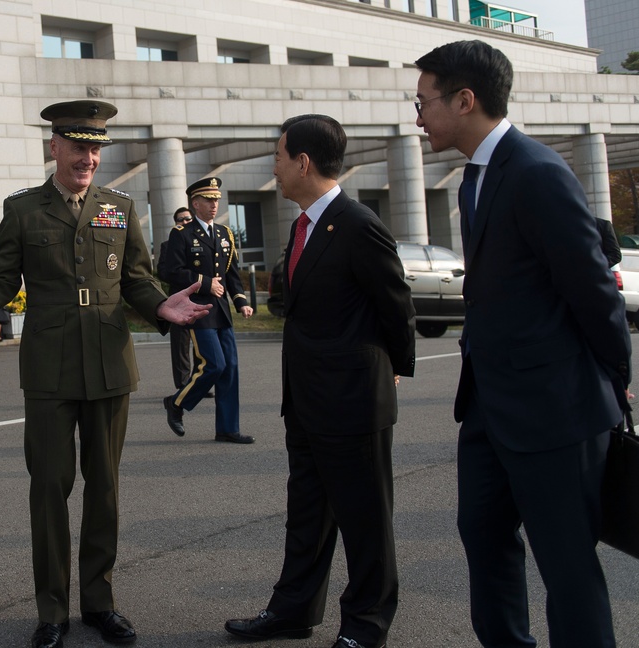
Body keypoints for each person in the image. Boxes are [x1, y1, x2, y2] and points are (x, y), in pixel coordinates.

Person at [0, 99, 210, 648]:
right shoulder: (23, 210)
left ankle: (101, 603)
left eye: (95, 148)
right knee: (49, 489)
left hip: (110, 364)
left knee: (105, 488)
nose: (87, 157)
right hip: (48, 369)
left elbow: (136, 277)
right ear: (54, 147)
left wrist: (161, 305)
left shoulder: (117, 207)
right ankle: (52, 612)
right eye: (78, 146)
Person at [413, 40, 631, 648]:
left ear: (465, 99)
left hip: (555, 409)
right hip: (489, 406)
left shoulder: (535, 172)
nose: (419, 115)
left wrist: (615, 374)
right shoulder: (474, 179)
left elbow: (591, 289)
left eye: (423, 101)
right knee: (483, 539)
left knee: (566, 566)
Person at [224, 114, 415, 648]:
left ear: (303, 162)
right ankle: (292, 611)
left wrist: (394, 369)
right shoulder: (304, 224)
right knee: (307, 515)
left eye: (279, 158)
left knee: (365, 523)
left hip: (353, 401)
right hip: (306, 401)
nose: (276, 170)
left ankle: (366, 626)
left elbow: (396, 306)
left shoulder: (358, 224)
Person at [160, 179, 254, 443]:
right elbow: (171, 271)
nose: (214, 205)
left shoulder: (225, 234)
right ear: (195, 203)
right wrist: (203, 282)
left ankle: (227, 428)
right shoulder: (181, 233)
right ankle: (176, 403)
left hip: (222, 310)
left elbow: (231, 273)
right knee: (213, 364)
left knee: (230, 367)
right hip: (198, 309)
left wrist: (241, 301)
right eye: (209, 200)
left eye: (217, 200)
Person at [157, 206, 196, 391]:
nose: (185, 222)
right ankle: (183, 384)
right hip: (179, 299)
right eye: (181, 219)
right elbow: (163, 272)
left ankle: (199, 382)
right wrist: (182, 276)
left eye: (188, 218)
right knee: (180, 344)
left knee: (202, 343)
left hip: (199, 299)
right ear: (176, 223)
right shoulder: (167, 245)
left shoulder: (200, 243)